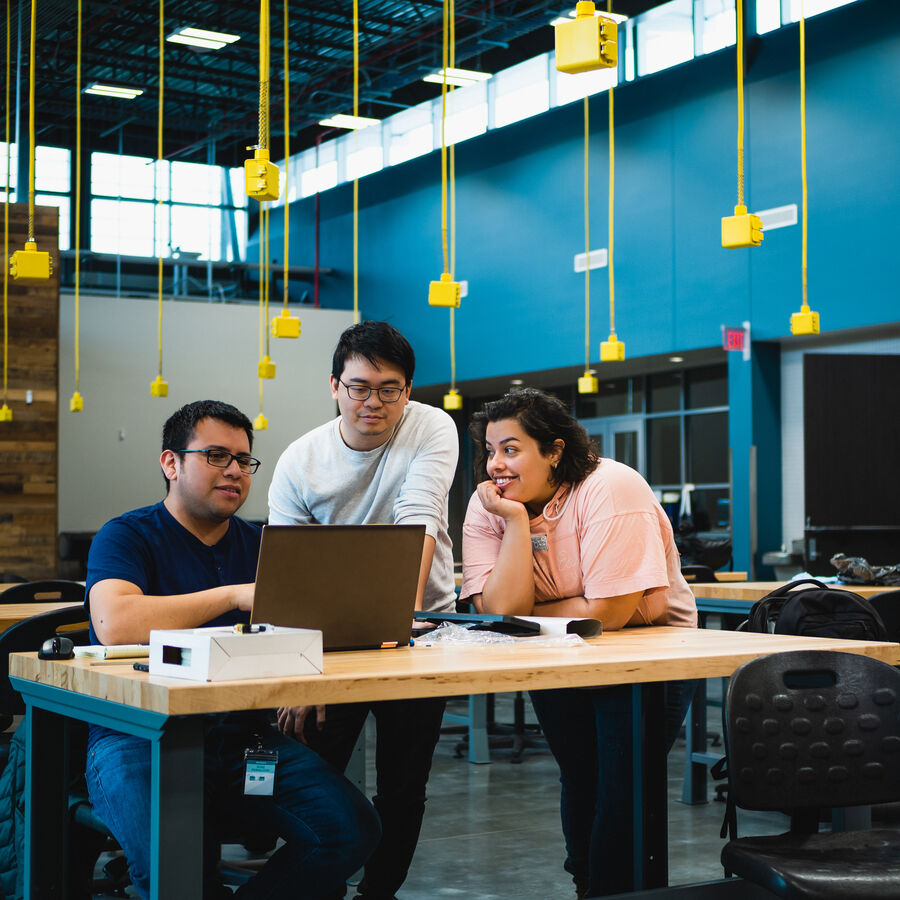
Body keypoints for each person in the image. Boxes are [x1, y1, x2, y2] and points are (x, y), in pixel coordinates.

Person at [85, 400, 380, 900]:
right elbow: (116, 624)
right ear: (170, 463)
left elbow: (312, 623)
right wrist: (234, 595)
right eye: (217, 456)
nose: (235, 471)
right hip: (139, 736)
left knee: (350, 831)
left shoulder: (264, 542)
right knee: (176, 869)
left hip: (242, 737)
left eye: (244, 460)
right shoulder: (128, 535)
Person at [461, 388, 697, 899]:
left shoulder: (610, 486)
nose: (495, 464)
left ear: (554, 450)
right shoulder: (493, 506)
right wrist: (517, 522)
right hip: (561, 651)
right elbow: (501, 612)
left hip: (649, 653)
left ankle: (619, 888)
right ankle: (588, 886)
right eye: (489, 449)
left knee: (622, 786)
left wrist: (530, 616)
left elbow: (611, 613)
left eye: (511, 448)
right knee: (580, 776)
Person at [268, 321, 458, 900]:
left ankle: (381, 893)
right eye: (358, 387)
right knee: (314, 774)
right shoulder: (300, 460)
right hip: (326, 641)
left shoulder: (431, 426)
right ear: (334, 386)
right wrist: (302, 668)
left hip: (419, 629)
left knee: (405, 784)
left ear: (407, 390)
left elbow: (420, 521)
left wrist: (389, 623)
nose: (372, 402)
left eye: (389, 388)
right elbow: (289, 577)